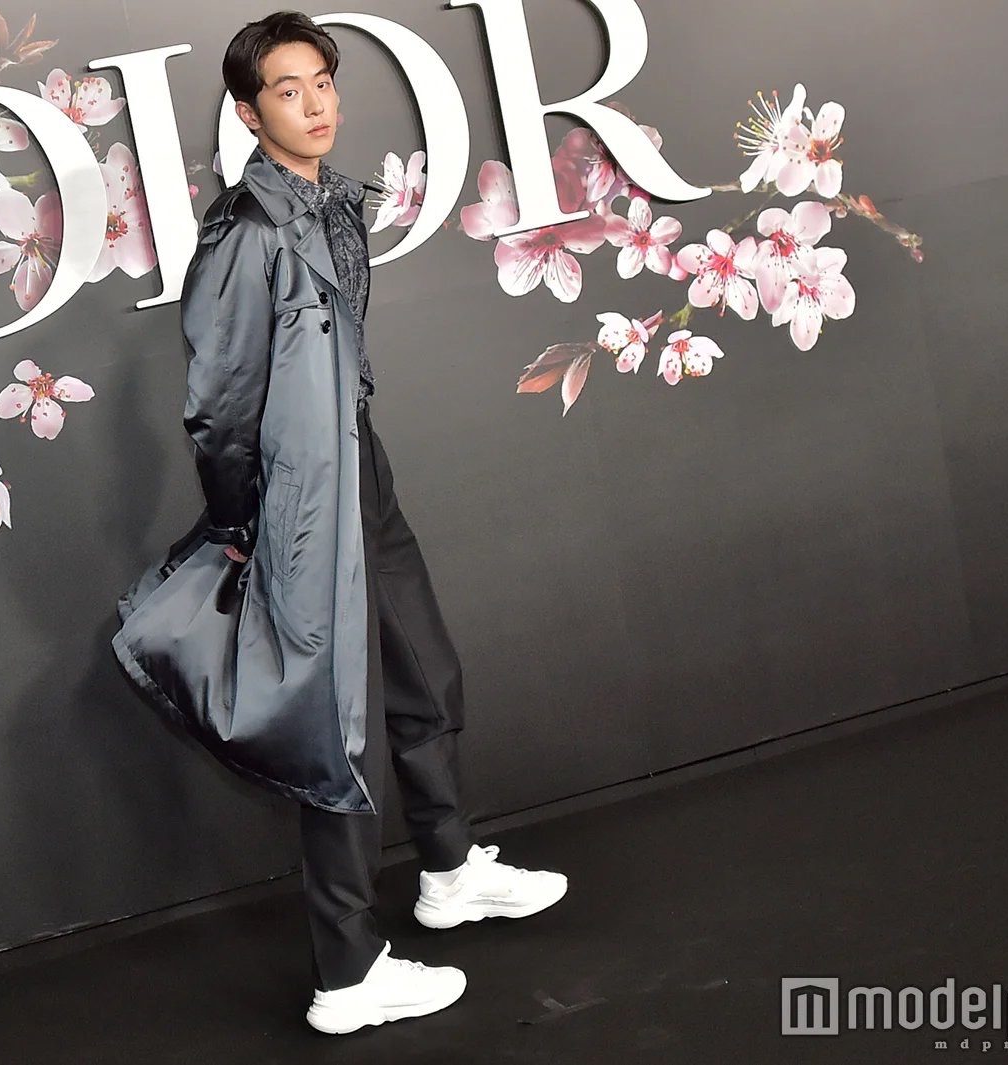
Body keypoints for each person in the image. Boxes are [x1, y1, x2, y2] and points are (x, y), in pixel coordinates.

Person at [181, 11, 569, 1035]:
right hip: (298, 494)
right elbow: (218, 402)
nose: (314, 105)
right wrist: (241, 522)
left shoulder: (335, 204)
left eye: (322, 82)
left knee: (424, 671)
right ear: (247, 112)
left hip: (361, 464)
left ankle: (448, 869)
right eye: (287, 90)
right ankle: (347, 974)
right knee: (337, 727)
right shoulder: (244, 231)